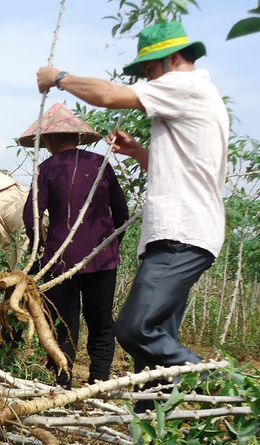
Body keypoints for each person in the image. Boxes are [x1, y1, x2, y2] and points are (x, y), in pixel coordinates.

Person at [35, 21, 229, 407]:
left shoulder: (186, 85)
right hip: (179, 235)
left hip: (181, 235)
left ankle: (224, 387)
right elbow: (180, 168)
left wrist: (58, 78)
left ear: (174, 58)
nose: (147, 80)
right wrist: (139, 152)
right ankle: (149, 429)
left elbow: (108, 96)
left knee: (135, 329)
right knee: (154, 345)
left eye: (149, 70)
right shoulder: (194, 98)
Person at [19, 102, 130, 388]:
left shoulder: (45, 169)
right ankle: (100, 382)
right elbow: (121, 213)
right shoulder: (100, 164)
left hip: (60, 259)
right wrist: (111, 245)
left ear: (48, 140)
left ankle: (63, 383)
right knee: (101, 322)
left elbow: (32, 216)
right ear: (77, 137)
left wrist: (39, 245)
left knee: (64, 325)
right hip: (102, 257)